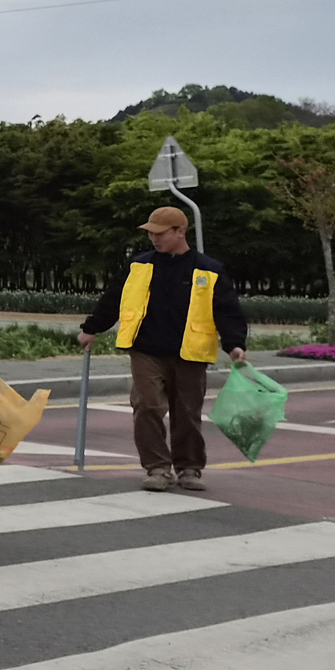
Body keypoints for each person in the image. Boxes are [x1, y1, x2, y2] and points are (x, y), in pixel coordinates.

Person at [78, 206, 247, 492]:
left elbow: (227, 311)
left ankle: (189, 468)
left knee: (187, 412)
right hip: (146, 349)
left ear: (180, 231)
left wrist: (235, 345)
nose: (154, 239)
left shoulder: (209, 269)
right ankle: (156, 467)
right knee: (146, 405)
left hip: (189, 353)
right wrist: (92, 328)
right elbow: (113, 298)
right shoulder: (139, 265)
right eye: (151, 234)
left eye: (160, 233)